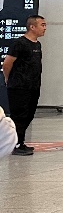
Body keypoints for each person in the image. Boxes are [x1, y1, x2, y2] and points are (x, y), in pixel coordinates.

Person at [3, 14, 46, 157]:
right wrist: (9, 79)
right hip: (19, 86)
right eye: (42, 25)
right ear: (32, 27)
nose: (44, 28)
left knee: (29, 115)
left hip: (33, 86)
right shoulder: (19, 43)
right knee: (19, 116)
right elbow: (7, 63)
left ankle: (20, 141)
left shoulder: (37, 44)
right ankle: (14, 144)